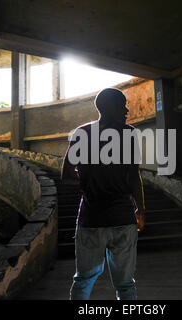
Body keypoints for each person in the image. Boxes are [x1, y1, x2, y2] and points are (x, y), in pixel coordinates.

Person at [62, 87, 145, 300]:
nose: (127, 110)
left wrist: (89, 181)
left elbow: (66, 175)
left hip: (91, 218)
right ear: (107, 108)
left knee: (83, 280)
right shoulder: (129, 134)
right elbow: (134, 176)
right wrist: (140, 209)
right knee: (125, 284)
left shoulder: (82, 133)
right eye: (122, 105)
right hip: (122, 217)